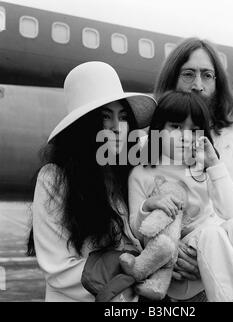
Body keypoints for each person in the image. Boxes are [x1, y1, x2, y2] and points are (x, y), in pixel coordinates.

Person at [153, 37, 233, 302]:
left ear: (217, 84)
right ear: (172, 81)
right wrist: (172, 254)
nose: (198, 85)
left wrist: (214, 258)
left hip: (231, 262)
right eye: (188, 74)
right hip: (175, 278)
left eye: (207, 75)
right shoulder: (151, 142)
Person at [125, 90, 233, 302]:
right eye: (176, 127)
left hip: (219, 257)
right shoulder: (142, 173)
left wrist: (215, 165)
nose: (185, 136)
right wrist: (148, 206)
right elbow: (134, 228)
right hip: (179, 267)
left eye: (194, 130)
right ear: (158, 129)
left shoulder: (200, 168)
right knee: (211, 233)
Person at [27, 61, 156, 302]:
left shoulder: (134, 175)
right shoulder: (54, 179)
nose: (118, 128)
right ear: (85, 126)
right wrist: (132, 267)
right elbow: (58, 270)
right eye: (106, 117)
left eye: (124, 116)